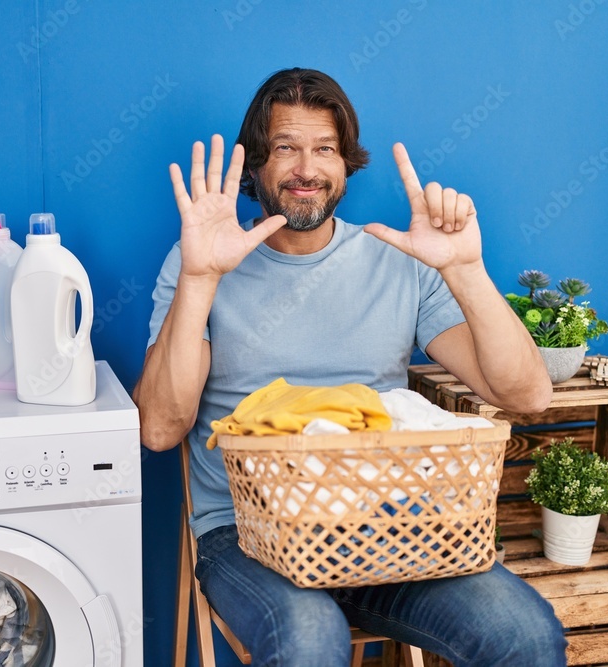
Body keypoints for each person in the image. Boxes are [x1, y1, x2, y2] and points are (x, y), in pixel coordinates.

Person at [132, 67, 566, 666]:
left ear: (346, 164)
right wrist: (202, 279)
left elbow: (528, 395)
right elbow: (158, 428)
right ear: (256, 164)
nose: (306, 168)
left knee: (525, 633)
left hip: (389, 529)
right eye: (286, 148)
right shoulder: (200, 261)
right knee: (309, 641)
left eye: (325, 150)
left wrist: (465, 270)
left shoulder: (400, 262)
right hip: (247, 534)